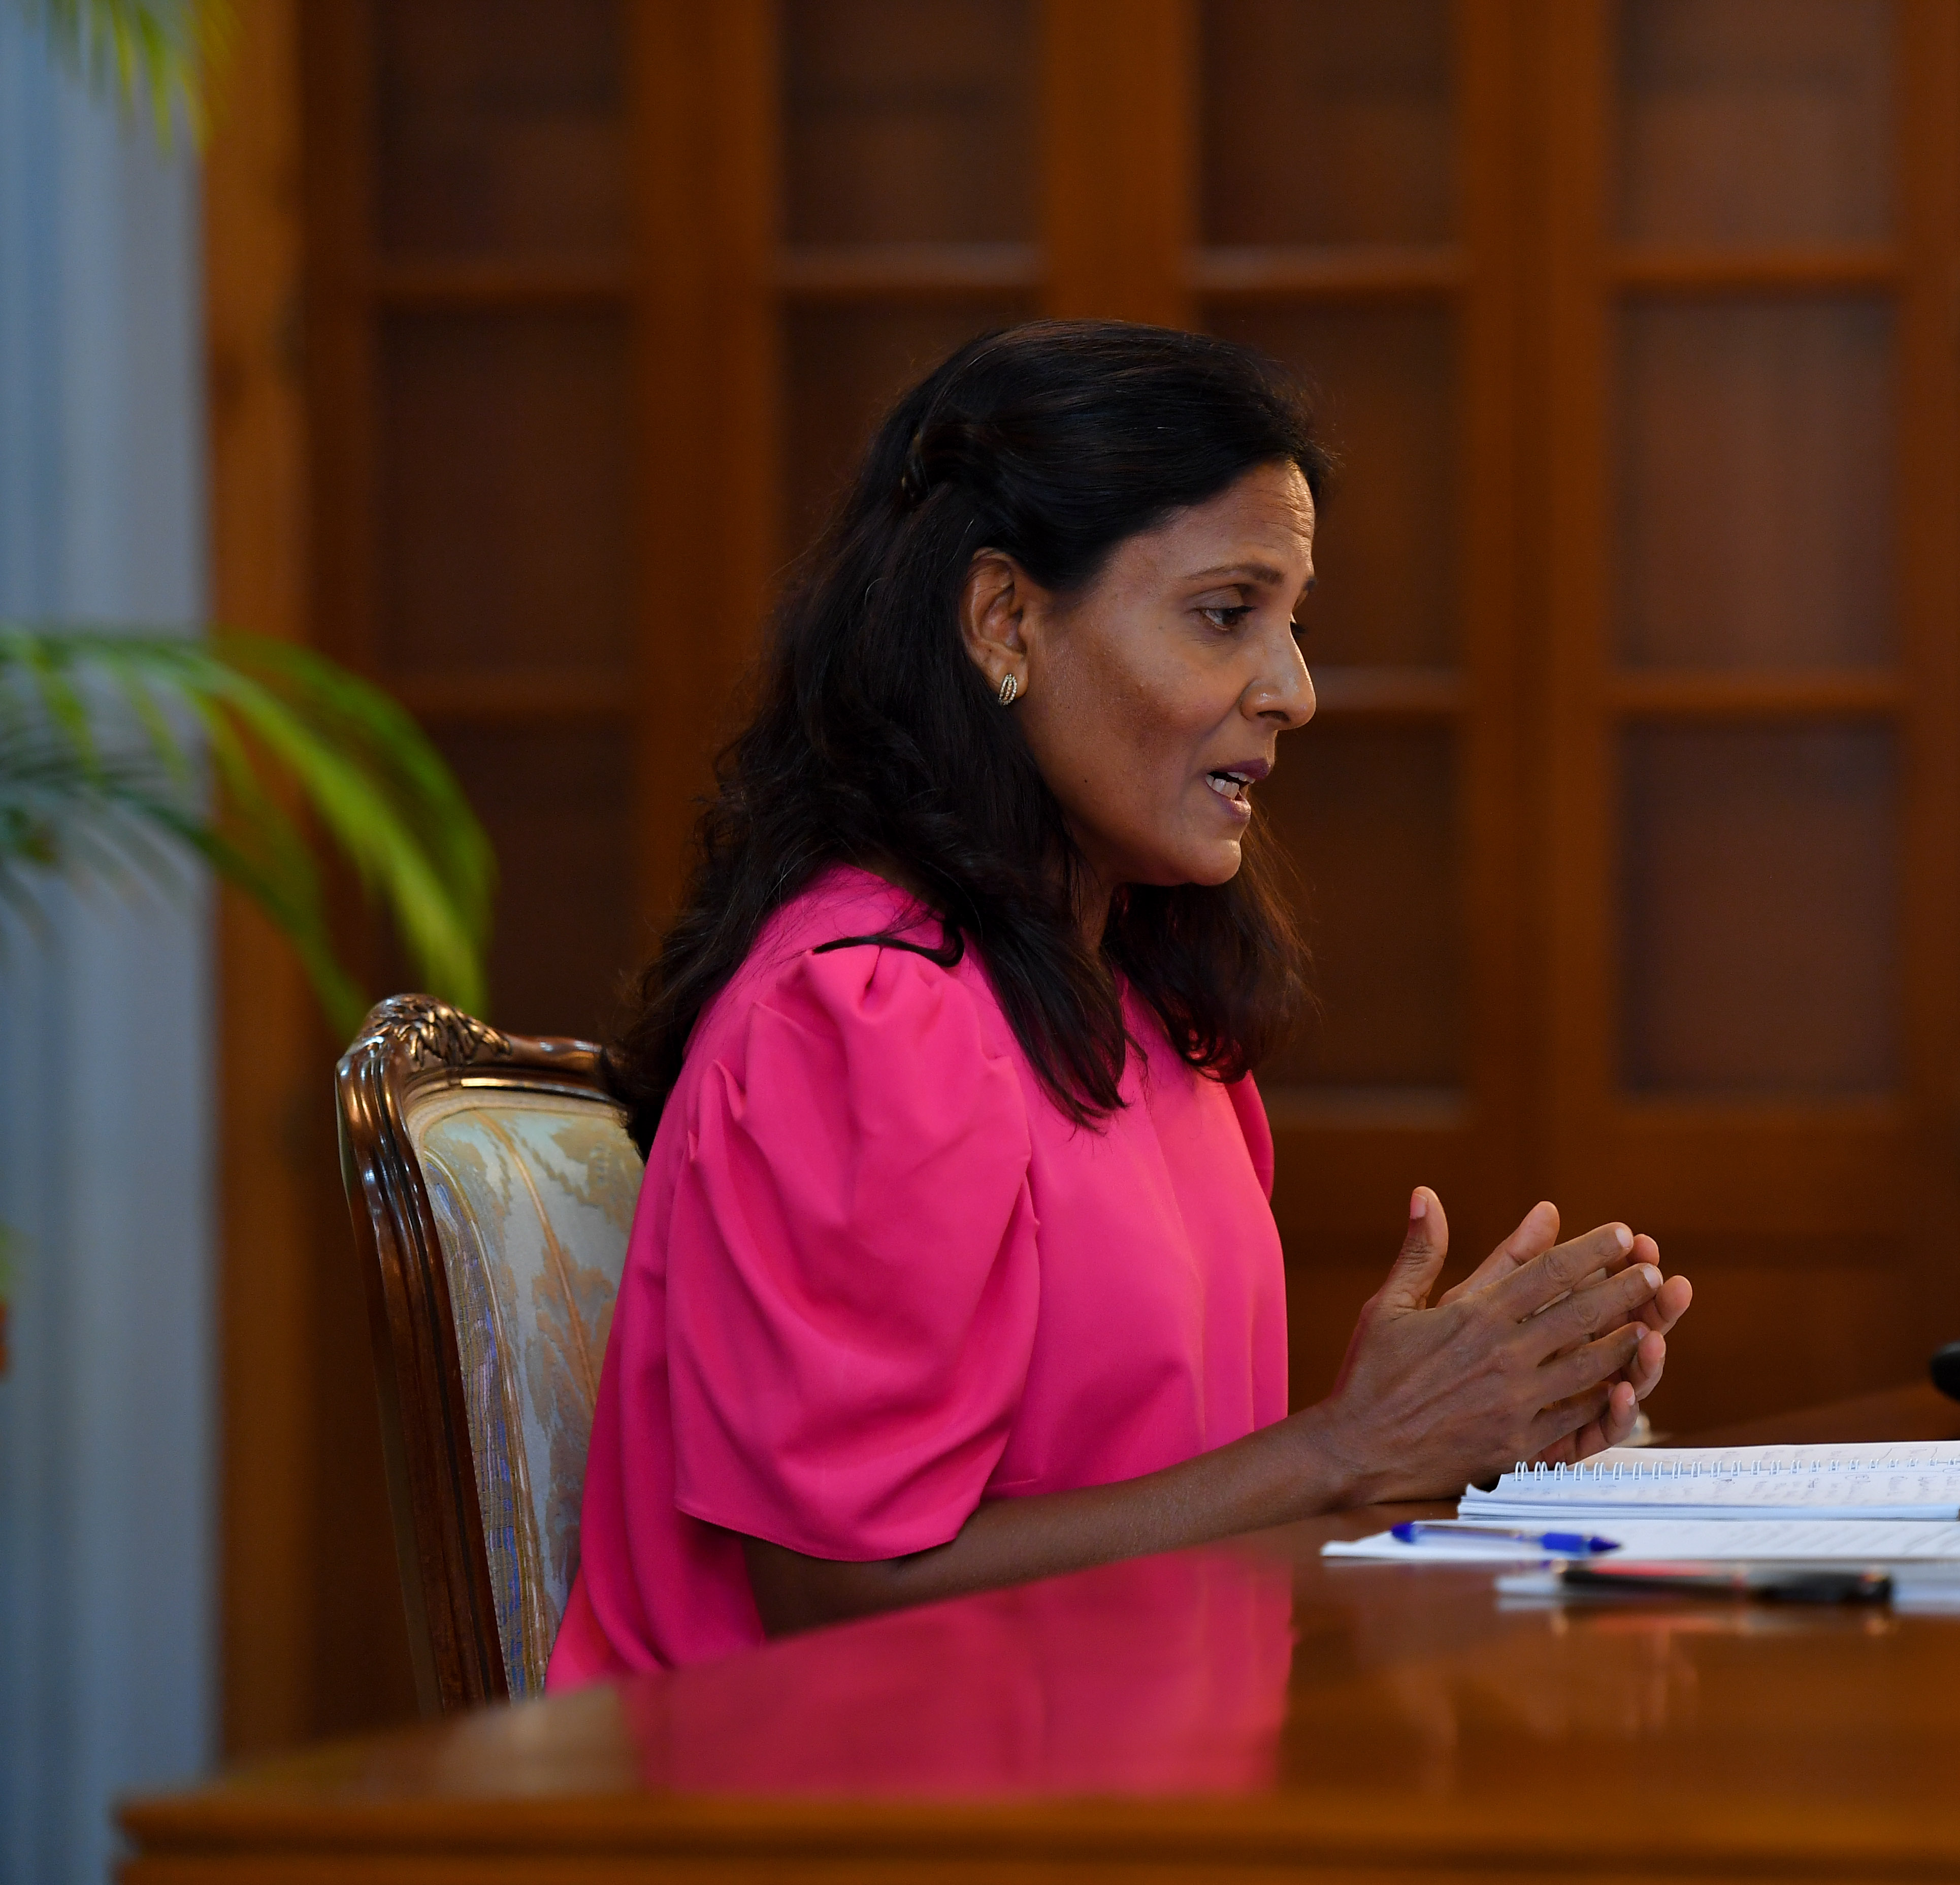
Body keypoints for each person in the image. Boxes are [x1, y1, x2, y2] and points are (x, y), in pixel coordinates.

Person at [549, 321, 1693, 1683]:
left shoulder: (1160, 1013)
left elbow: (1196, 1515)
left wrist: (1467, 1431)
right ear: (1005, 621)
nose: (1295, 692)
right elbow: (845, 1605)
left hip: (1127, 1773)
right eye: (1226, 616)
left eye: (1295, 624)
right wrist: (1344, 1448)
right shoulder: (861, 1015)